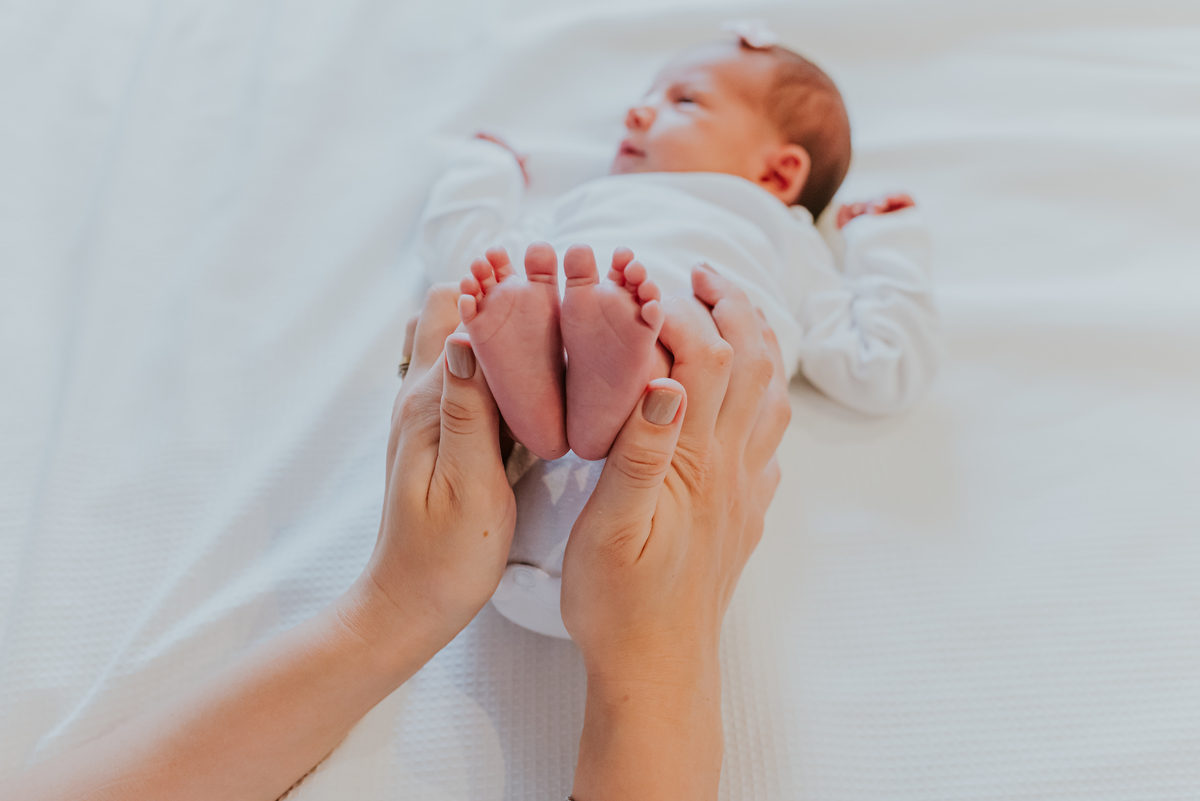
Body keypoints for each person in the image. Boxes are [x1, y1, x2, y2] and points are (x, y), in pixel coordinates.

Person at [8, 266, 792, 801]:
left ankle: (561, 402)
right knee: (617, 376)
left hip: (508, 538)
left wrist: (390, 609)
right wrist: (662, 669)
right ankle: (575, 398)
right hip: (623, 537)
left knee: (572, 381)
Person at [420, 28, 940, 465]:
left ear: (779, 172)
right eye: (646, 96)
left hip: (685, 433)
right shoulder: (586, 202)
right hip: (573, 477)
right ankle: (557, 383)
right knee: (510, 301)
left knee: (658, 345)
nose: (636, 113)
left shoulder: (787, 235)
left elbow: (882, 368)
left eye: (684, 100)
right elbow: (469, 278)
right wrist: (488, 172)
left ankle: (595, 380)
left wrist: (885, 241)